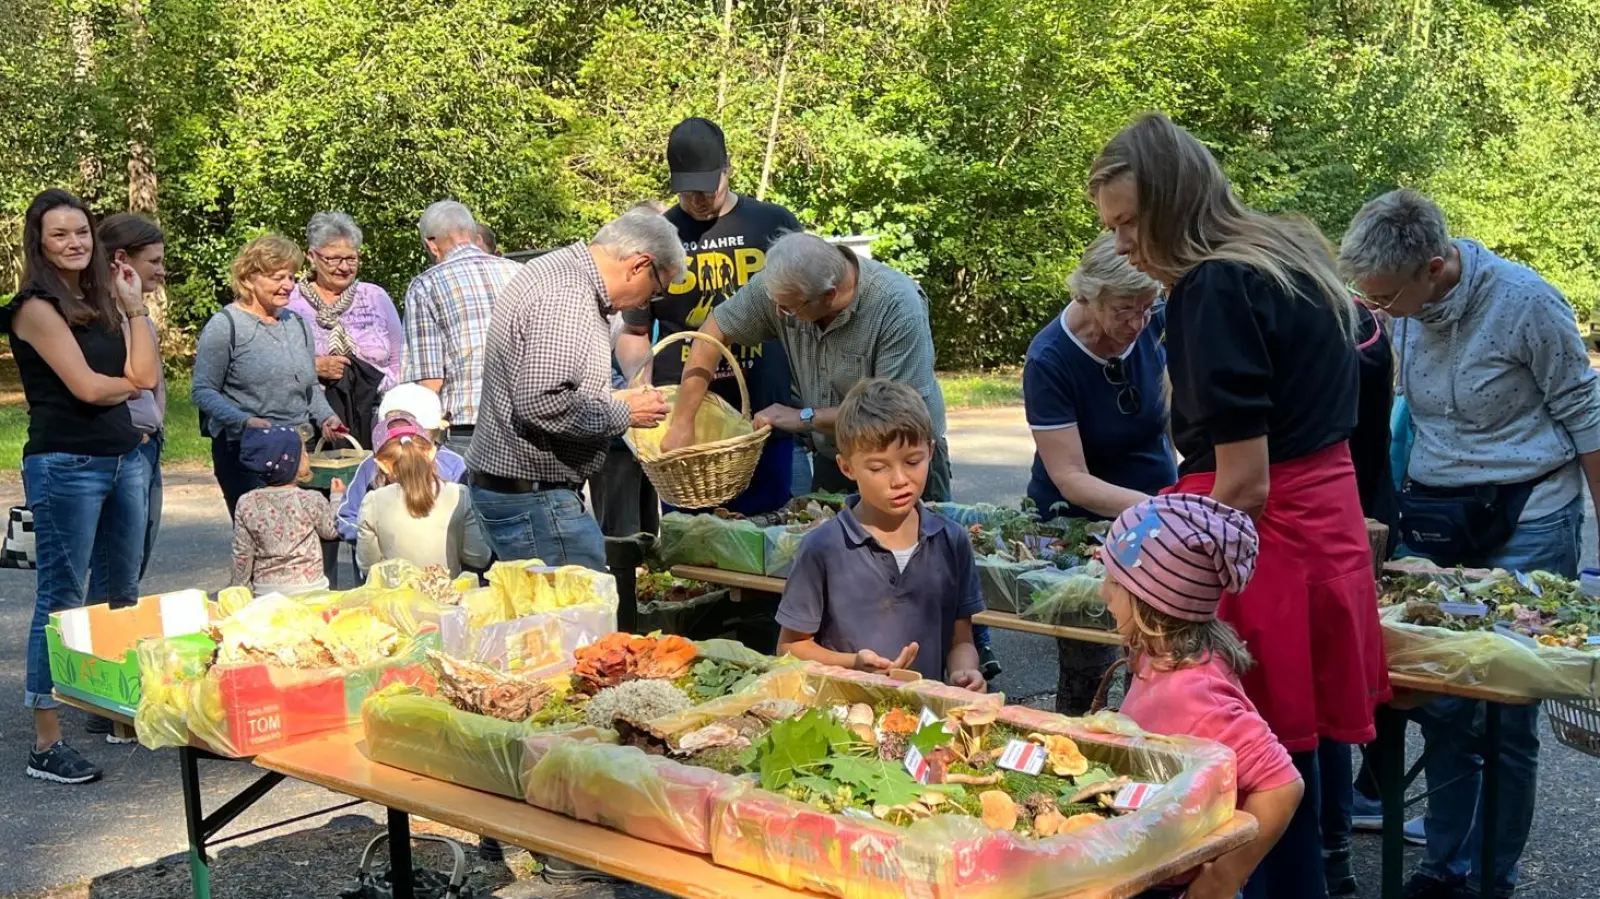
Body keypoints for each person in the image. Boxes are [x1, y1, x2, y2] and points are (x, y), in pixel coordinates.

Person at [1089, 111, 1390, 899]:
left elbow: (1244, 480)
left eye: (1128, 223)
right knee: (1307, 751)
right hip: (1324, 529)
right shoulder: (1284, 249)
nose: (1121, 243)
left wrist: (1165, 573)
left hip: (1262, 542)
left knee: (1247, 764)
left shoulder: (1213, 284)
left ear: (1171, 205)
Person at [1339, 188, 1600, 899]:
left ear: (1434, 265)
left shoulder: (1527, 302)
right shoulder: (1397, 314)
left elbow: (1586, 414)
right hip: (1440, 514)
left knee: (1506, 711)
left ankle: (1493, 876)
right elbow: (1388, 422)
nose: (1383, 311)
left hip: (1531, 512)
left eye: (1390, 296)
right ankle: (1442, 866)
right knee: (1447, 698)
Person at [661, 230, 1004, 676]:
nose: (780, 316)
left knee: (927, 568)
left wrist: (799, 415)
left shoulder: (894, 303)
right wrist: (684, 418)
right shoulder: (785, 286)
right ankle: (852, 664)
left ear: (829, 294)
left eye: (790, 310)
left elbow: (895, 413)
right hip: (835, 450)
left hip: (905, 446)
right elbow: (713, 331)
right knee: (842, 565)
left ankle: (969, 655)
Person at [4, 188, 159, 784]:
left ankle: (107, 709)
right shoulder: (35, 305)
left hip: (123, 457)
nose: (74, 243)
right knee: (60, 597)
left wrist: (134, 305)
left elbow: (141, 377)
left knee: (117, 590)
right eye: (60, 234)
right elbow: (89, 389)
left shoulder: (99, 300)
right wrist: (121, 380)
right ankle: (46, 743)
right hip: (66, 462)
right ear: (39, 243)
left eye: (82, 233)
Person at [1101, 494, 1305, 899]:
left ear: (1151, 604)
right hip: (1150, 858)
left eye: (1112, 581)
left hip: (1174, 883)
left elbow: (1283, 786)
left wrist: (1224, 876)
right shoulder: (1159, 655)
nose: (1102, 593)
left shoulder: (1195, 690)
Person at [466, 207, 677, 571]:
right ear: (639, 265)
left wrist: (615, 398)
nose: (646, 304)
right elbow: (541, 401)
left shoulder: (559, 271)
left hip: (522, 494)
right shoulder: (569, 294)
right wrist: (625, 412)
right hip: (535, 499)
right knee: (575, 622)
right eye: (655, 291)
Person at [617, 117, 802, 517]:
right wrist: (640, 383)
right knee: (693, 547)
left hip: (764, 414)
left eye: (708, 187)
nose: (699, 200)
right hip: (687, 424)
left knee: (767, 533)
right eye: (688, 192)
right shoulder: (657, 235)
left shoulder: (773, 223)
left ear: (727, 169)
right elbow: (633, 330)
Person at [1023, 233, 1173, 715]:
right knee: (1088, 662)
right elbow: (1069, 476)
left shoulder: (1154, 324)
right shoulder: (1050, 358)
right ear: (1087, 295)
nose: (1138, 322)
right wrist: (1163, 509)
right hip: (1078, 523)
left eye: (1147, 307)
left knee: (1157, 657)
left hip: (1155, 511)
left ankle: (1147, 756)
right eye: (1124, 310)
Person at [775, 378, 986, 691]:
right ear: (847, 468)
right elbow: (790, 648)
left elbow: (961, 642)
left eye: (913, 461)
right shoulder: (822, 548)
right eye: (878, 468)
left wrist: (963, 672)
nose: (899, 479)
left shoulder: (951, 540)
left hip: (924, 720)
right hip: (844, 721)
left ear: (930, 452)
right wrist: (854, 665)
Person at [192, 234, 343, 518]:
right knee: (263, 543)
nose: (288, 285)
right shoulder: (226, 326)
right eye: (277, 277)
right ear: (248, 278)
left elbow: (308, 385)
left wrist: (326, 417)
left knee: (305, 540)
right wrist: (245, 421)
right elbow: (202, 391)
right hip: (248, 453)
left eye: (291, 277)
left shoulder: (297, 323)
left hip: (301, 450)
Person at [400, 200, 525, 457]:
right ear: (473, 234)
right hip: (528, 421)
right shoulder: (521, 273)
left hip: (469, 429)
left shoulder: (426, 286)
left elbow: (430, 381)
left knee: (466, 497)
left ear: (431, 244)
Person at [284, 211, 404, 447]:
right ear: (311, 256)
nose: (344, 267)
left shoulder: (376, 297)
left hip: (372, 419)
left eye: (351, 259)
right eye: (333, 259)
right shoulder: (289, 302)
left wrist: (366, 384)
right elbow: (272, 364)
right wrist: (315, 367)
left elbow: (400, 362)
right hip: (309, 424)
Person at [336, 384, 469, 575]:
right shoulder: (371, 465)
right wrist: (371, 537)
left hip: (440, 575)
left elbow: (466, 522)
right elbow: (346, 515)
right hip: (389, 575)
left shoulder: (454, 465)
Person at [357, 422, 491, 577]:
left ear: (382, 465)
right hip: (447, 596)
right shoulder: (459, 495)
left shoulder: (373, 502)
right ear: (432, 452)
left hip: (396, 598)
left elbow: (369, 567)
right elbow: (479, 557)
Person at [230, 427, 339, 594]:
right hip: (310, 588)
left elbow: (242, 553)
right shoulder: (309, 499)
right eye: (303, 453)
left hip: (267, 591)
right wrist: (337, 498)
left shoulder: (247, 503)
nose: (307, 456)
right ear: (291, 463)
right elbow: (331, 530)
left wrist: (239, 590)